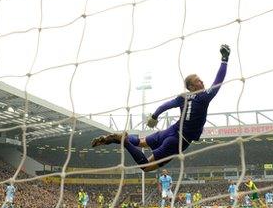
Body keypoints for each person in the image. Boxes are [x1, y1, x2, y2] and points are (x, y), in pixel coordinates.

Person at [91, 45, 230, 171]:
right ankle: (124, 141)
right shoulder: (204, 96)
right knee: (146, 167)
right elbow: (219, 80)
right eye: (198, 81)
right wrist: (225, 59)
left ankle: (117, 139)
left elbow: (166, 105)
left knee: (141, 142)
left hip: (170, 131)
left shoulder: (183, 97)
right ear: (192, 87)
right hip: (178, 141)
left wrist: (154, 117)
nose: (202, 82)